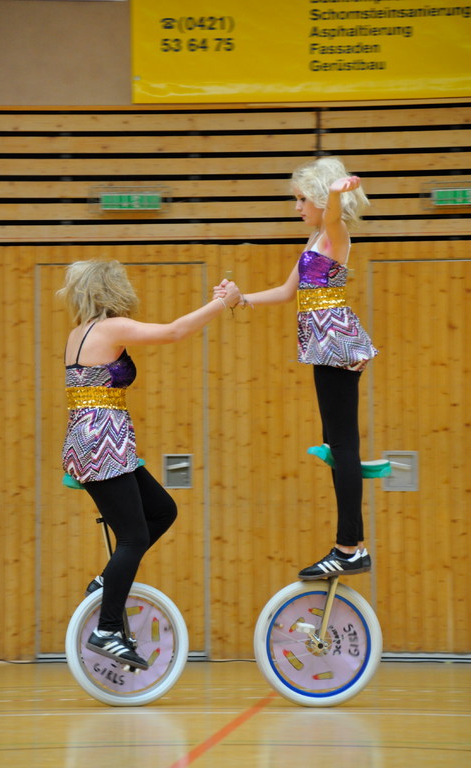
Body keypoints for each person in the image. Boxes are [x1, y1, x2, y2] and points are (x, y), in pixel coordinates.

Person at [58, 259, 240, 668]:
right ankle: (106, 629)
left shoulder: (77, 333)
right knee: (134, 538)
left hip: (97, 438)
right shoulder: (109, 328)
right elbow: (174, 332)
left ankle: (107, 581)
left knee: (162, 510)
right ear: (111, 290)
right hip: (102, 441)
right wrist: (220, 303)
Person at [215, 156, 377, 580]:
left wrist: (338, 196)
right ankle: (350, 542)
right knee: (336, 443)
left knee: (343, 446)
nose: (296, 206)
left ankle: (349, 547)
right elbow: (288, 292)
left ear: (322, 199)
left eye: (302, 198)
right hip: (323, 346)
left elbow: (336, 220)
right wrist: (240, 298)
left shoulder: (334, 235)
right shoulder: (312, 243)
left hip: (335, 343)